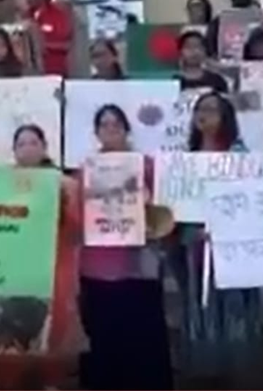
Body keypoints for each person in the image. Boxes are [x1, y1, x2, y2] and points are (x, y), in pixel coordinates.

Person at [0, 125, 85, 389]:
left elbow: (76, 226)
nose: (28, 148)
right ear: (14, 151)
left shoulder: (62, 182)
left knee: (53, 335)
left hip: (54, 271)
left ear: (44, 147)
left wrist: (65, 195)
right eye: (22, 144)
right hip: (13, 272)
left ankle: (51, 383)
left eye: (33, 142)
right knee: (11, 337)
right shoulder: (0, 182)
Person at [79, 105, 172, 390]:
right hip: (98, 267)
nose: (110, 129)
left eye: (116, 124)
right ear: (96, 133)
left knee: (144, 336)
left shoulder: (147, 166)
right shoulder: (86, 170)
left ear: (126, 130)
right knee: (103, 337)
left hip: (139, 266)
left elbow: (166, 212)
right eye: (104, 125)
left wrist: (147, 207)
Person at [177, 92, 260, 386]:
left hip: (232, 246)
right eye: (199, 110)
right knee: (200, 309)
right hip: (194, 245)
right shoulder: (185, 158)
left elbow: (250, 200)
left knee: (235, 310)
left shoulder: (239, 154)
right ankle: (204, 371)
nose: (204, 115)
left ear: (225, 116)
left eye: (211, 109)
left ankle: (237, 373)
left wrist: (225, 226)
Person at [24, 0, 73, 77]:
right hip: (31, 75)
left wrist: (41, 45)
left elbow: (67, 44)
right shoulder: (26, 16)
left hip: (55, 73)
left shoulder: (58, 15)